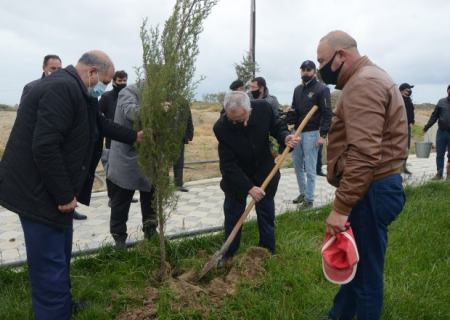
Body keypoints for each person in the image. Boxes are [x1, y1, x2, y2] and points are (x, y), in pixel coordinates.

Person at [0, 50, 144, 319]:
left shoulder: (80, 92)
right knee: (48, 265)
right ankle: (54, 312)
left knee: (60, 254)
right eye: (105, 81)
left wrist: (134, 136)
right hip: (37, 194)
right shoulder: (61, 89)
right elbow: (44, 148)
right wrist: (65, 195)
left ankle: (63, 305)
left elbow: (100, 124)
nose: (105, 88)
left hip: (50, 190)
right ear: (91, 72)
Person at [317, 30, 407, 320]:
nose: (319, 70)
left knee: (367, 278)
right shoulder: (370, 76)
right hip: (375, 186)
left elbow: (365, 152)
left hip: (372, 188)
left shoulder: (362, 83)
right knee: (358, 269)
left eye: (322, 61)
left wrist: (341, 208)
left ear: (341, 55)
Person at [213, 91, 299, 265]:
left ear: (249, 112)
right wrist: (249, 188)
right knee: (233, 215)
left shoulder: (263, 108)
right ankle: (228, 254)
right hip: (236, 179)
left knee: (266, 214)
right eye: (231, 120)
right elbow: (229, 165)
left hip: (263, 171)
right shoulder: (221, 127)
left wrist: (285, 137)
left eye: (239, 120)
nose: (234, 124)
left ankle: (266, 252)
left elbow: (277, 126)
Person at [20, 54, 87, 221]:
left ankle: (69, 207)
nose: (56, 71)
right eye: (53, 69)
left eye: (59, 68)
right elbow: (25, 118)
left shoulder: (66, 86)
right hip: (41, 142)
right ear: (44, 69)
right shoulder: (32, 87)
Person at [107, 83, 158, 246]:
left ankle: (151, 234)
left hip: (150, 159)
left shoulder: (159, 93)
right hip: (126, 158)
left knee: (150, 201)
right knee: (121, 203)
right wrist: (156, 109)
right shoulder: (128, 92)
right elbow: (131, 113)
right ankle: (119, 239)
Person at [287, 60, 332, 208]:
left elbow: (327, 114)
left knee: (310, 168)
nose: (305, 72)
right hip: (297, 132)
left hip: (312, 133)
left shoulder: (322, 89)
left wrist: (323, 135)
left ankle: (310, 199)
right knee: (298, 166)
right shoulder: (297, 89)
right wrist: (290, 111)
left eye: (308, 70)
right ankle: (303, 192)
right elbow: (295, 109)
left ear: (314, 71)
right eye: (303, 69)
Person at [99, 70, 138, 206]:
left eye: (124, 80)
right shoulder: (106, 97)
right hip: (112, 138)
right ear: (113, 82)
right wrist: (109, 124)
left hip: (128, 136)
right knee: (112, 169)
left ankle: (128, 193)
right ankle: (112, 196)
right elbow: (98, 114)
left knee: (128, 168)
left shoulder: (129, 96)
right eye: (119, 81)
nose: (122, 83)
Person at [423, 85, 450, 180]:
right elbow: (434, 116)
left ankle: (449, 174)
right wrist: (427, 127)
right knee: (439, 154)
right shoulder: (441, 102)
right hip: (441, 133)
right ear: (447, 91)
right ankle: (439, 174)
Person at [173, 107, 194, 192]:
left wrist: (190, 132)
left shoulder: (183, 101)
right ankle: (165, 185)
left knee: (179, 162)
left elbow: (188, 117)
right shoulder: (165, 98)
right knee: (165, 163)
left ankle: (178, 184)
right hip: (166, 137)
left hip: (179, 137)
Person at [399, 83, 415, 174]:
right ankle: (395, 168)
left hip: (407, 127)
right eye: (407, 90)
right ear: (402, 90)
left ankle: (403, 167)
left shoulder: (409, 100)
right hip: (398, 127)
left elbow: (412, 112)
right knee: (398, 146)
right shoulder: (396, 99)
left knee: (406, 147)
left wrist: (412, 121)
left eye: (410, 90)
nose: (409, 92)